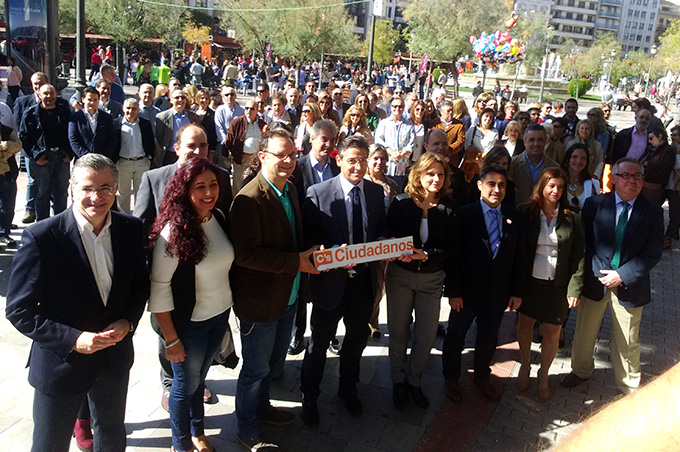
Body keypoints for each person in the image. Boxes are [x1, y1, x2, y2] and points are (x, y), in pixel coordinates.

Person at [5, 153, 149, 452]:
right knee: (50, 443)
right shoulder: (42, 237)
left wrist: (128, 321)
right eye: (87, 188)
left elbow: (138, 286)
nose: (96, 197)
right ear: (71, 188)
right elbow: (19, 309)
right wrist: (74, 339)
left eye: (106, 187)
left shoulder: (131, 229)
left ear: (117, 187)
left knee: (110, 434)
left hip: (113, 358)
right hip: (62, 364)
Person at [229, 128, 320, 451]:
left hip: (288, 296)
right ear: (262, 157)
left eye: (292, 155)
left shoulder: (291, 189)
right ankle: (247, 428)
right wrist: (297, 261)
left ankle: (263, 409)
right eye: (280, 155)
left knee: (271, 364)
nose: (287, 161)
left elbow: (293, 237)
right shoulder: (248, 199)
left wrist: (316, 252)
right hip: (260, 302)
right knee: (254, 370)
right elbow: (246, 255)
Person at [134, 124, 232, 412]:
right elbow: (141, 225)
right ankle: (170, 385)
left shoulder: (220, 178)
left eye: (203, 146)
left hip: (205, 283)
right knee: (170, 337)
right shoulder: (154, 178)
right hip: (167, 274)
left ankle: (193, 382)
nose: (197, 151)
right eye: (191, 145)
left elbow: (222, 220)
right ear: (176, 148)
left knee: (198, 349)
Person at [300, 135, 388, 426]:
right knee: (319, 344)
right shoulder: (318, 192)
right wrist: (331, 252)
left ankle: (348, 389)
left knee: (356, 341)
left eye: (363, 159)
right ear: (339, 160)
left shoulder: (376, 194)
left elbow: (380, 231)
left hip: (362, 283)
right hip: (330, 285)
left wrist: (385, 244)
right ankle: (309, 395)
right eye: (352, 160)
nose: (358, 166)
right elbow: (308, 239)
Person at [148, 157, 232, 452]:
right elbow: (158, 290)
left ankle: (198, 432)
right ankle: (180, 444)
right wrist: (172, 340)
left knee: (199, 380)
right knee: (184, 387)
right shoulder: (173, 233)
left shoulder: (218, 217)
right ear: (184, 190)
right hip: (189, 326)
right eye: (200, 187)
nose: (209, 192)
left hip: (219, 317)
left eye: (213, 185)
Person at [560, 158, 663, 394]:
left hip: (630, 284)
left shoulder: (653, 212)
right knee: (585, 331)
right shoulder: (595, 204)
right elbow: (585, 243)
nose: (632, 180)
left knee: (628, 338)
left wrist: (621, 274)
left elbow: (653, 252)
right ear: (614, 178)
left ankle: (628, 385)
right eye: (626, 175)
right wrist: (599, 273)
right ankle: (580, 370)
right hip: (596, 281)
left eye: (637, 176)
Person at [442, 164, 525, 403]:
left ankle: (482, 377)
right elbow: (455, 257)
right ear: (480, 185)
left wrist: (517, 292)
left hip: (497, 294)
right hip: (467, 293)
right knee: (456, 336)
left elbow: (520, 257)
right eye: (491, 184)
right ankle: (451, 378)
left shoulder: (513, 216)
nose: (496, 189)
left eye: (502, 185)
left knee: (489, 338)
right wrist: (454, 292)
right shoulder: (464, 214)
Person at [386, 152, 458, 409]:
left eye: (440, 174)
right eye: (430, 173)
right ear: (418, 175)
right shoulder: (401, 202)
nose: (436, 179)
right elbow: (388, 235)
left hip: (431, 279)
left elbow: (451, 246)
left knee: (426, 334)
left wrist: (426, 254)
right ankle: (397, 380)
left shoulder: (450, 207)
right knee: (398, 331)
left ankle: (414, 381)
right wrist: (395, 249)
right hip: (400, 277)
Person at [516, 168, 584, 401]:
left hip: (557, 284)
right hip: (530, 282)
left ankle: (544, 373)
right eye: (551, 186)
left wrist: (575, 288)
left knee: (553, 330)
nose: (556, 191)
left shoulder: (572, 216)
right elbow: (517, 252)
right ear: (542, 187)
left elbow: (579, 255)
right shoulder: (526, 212)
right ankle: (525, 364)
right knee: (525, 323)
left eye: (561, 187)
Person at [19, 84, 73, 221]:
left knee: (61, 192)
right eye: (45, 94)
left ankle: (60, 221)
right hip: (43, 157)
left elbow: (71, 133)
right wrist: (36, 156)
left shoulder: (64, 112)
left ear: (56, 95)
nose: (49, 96)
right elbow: (24, 138)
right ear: (39, 95)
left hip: (61, 157)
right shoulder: (30, 114)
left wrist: (68, 154)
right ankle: (42, 223)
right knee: (42, 192)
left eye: (51, 93)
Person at [365, 144, 401, 337]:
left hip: (388, 241)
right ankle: (370, 321)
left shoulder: (392, 185)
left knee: (381, 285)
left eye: (382, 159)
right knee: (371, 285)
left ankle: (373, 320)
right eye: (375, 158)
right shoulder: (362, 182)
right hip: (367, 242)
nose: (379, 162)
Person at [113, 98, 155, 214]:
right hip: (123, 163)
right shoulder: (116, 124)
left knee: (141, 193)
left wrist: (149, 158)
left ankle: (139, 218)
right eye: (128, 108)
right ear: (123, 108)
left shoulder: (144, 124)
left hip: (141, 162)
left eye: (134, 108)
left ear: (138, 110)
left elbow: (150, 142)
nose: (130, 111)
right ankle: (124, 218)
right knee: (123, 194)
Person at [508, 124, 560, 205]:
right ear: (524, 141)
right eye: (531, 140)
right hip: (517, 213)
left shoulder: (554, 167)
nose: (536, 144)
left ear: (546, 141)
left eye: (540, 140)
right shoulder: (512, 164)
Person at [224, 99, 267, 194]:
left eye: (252, 109)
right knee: (238, 185)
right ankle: (237, 205)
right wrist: (232, 155)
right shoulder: (236, 123)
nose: (249, 111)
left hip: (256, 159)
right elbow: (229, 141)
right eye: (246, 108)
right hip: (241, 158)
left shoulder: (262, 124)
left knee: (255, 184)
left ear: (257, 110)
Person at [374, 96, 415, 190]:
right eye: (394, 106)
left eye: (400, 106)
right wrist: (391, 152)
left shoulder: (409, 125)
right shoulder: (384, 123)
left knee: (399, 190)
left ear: (403, 108)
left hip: (402, 165)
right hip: (387, 164)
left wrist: (402, 153)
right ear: (390, 107)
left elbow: (413, 143)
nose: (397, 109)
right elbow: (378, 140)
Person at [154, 89, 201, 167]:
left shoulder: (193, 117)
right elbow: (160, 139)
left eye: (183, 98)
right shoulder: (162, 117)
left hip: (188, 154)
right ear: (171, 100)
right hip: (170, 155)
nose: (180, 100)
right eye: (177, 98)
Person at [68, 87, 117, 159]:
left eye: (95, 100)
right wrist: (86, 156)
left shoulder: (107, 118)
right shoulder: (75, 118)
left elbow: (112, 139)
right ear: (83, 99)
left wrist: (102, 156)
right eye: (89, 99)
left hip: (101, 160)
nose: (92, 103)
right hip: (82, 160)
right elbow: (73, 140)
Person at [639, 127, 675, 206]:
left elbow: (663, 173)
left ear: (659, 137)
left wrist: (644, 175)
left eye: (651, 138)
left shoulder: (667, 151)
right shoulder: (650, 149)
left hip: (654, 189)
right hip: (642, 185)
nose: (650, 141)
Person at [463, 107, 499, 182]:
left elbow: (493, 148)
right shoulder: (473, 128)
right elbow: (467, 144)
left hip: (486, 162)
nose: (488, 119)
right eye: (486, 116)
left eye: (491, 117)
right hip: (472, 162)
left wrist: (483, 157)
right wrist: (476, 157)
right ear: (481, 116)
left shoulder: (495, 132)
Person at [562, 143, 601, 209]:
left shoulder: (594, 184)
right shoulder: (558, 181)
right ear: (567, 158)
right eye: (575, 157)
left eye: (583, 158)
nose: (579, 161)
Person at [432, 100, 466, 166]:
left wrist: (447, 151)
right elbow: (430, 139)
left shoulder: (459, 125)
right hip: (435, 159)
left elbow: (460, 141)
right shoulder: (434, 124)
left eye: (452, 110)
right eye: (448, 111)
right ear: (441, 112)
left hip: (452, 160)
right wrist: (439, 153)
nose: (450, 113)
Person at [665, 125, 680, 249]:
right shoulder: (670, 148)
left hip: (676, 186)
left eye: (675, 135)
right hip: (666, 184)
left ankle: (669, 235)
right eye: (671, 135)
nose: (672, 137)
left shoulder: (676, 150)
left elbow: (677, 166)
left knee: (675, 212)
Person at [193, 88, 218, 159]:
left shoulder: (212, 114)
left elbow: (213, 135)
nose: (205, 100)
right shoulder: (193, 110)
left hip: (205, 146)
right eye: (202, 98)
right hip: (193, 144)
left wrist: (211, 152)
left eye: (207, 98)